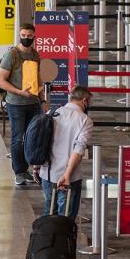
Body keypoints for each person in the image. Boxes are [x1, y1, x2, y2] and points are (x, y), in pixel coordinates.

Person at [0, 23, 43, 187]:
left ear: (34, 36)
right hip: (16, 103)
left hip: (33, 102)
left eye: (29, 36)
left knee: (34, 136)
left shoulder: (35, 55)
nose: (26, 38)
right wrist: (19, 92)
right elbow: (1, 81)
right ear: (19, 35)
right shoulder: (12, 55)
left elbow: (37, 77)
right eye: (23, 35)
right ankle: (19, 172)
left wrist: (41, 94)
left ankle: (31, 170)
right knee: (18, 138)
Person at [40, 86, 93, 219]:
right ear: (85, 100)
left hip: (47, 172)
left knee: (48, 215)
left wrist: (37, 167)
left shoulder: (53, 112)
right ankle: (63, 241)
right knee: (66, 220)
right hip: (69, 176)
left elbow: (41, 141)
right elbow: (78, 150)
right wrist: (67, 175)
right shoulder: (85, 120)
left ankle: (47, 239)